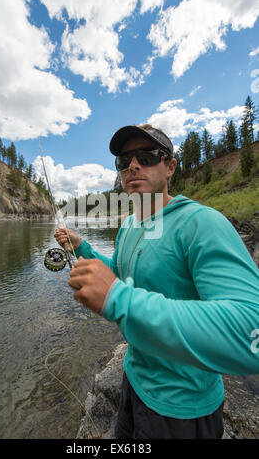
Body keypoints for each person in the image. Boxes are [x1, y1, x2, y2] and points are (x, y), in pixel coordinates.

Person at [54, 124, 259, 439]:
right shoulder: (130, 225)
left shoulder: (201, 223)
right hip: (134, 382)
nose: (133, 166)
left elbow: (251, 332)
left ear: (170, 167)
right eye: (124, 161)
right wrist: (82, 247)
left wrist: (118, 299)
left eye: (147, 156)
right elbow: (123, 274)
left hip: (182, 409)